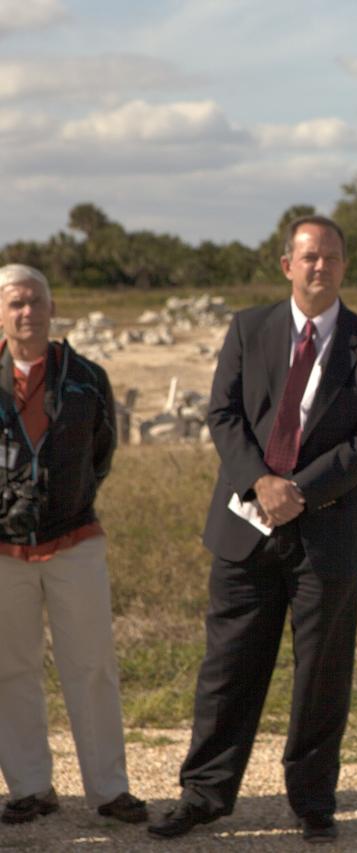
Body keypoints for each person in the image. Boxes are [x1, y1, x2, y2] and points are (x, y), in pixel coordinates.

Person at [148, 216, 357, 844]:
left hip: (329, 533)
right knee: (228, 666)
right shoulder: (248, 328)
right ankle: (205, 794)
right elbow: (223, 413)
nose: (321, 267)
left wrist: (300, 492)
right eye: (310, 257)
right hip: (244, 524)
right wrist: (260, 482)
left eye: (333, 258)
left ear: (344, 266)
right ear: (285, 263)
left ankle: (312, 801)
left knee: (321, 674)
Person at [0, 264, 148, 826]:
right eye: (15, 302)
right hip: (3, 550)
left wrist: (66, 495)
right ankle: (30, 787)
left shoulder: (86, 376)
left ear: (53, 307)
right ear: (0, 313)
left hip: (74, 539)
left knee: (92, 666)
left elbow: (102, 452)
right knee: (10, 668)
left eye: (36, 301)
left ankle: (109, 790)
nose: (27, 312)